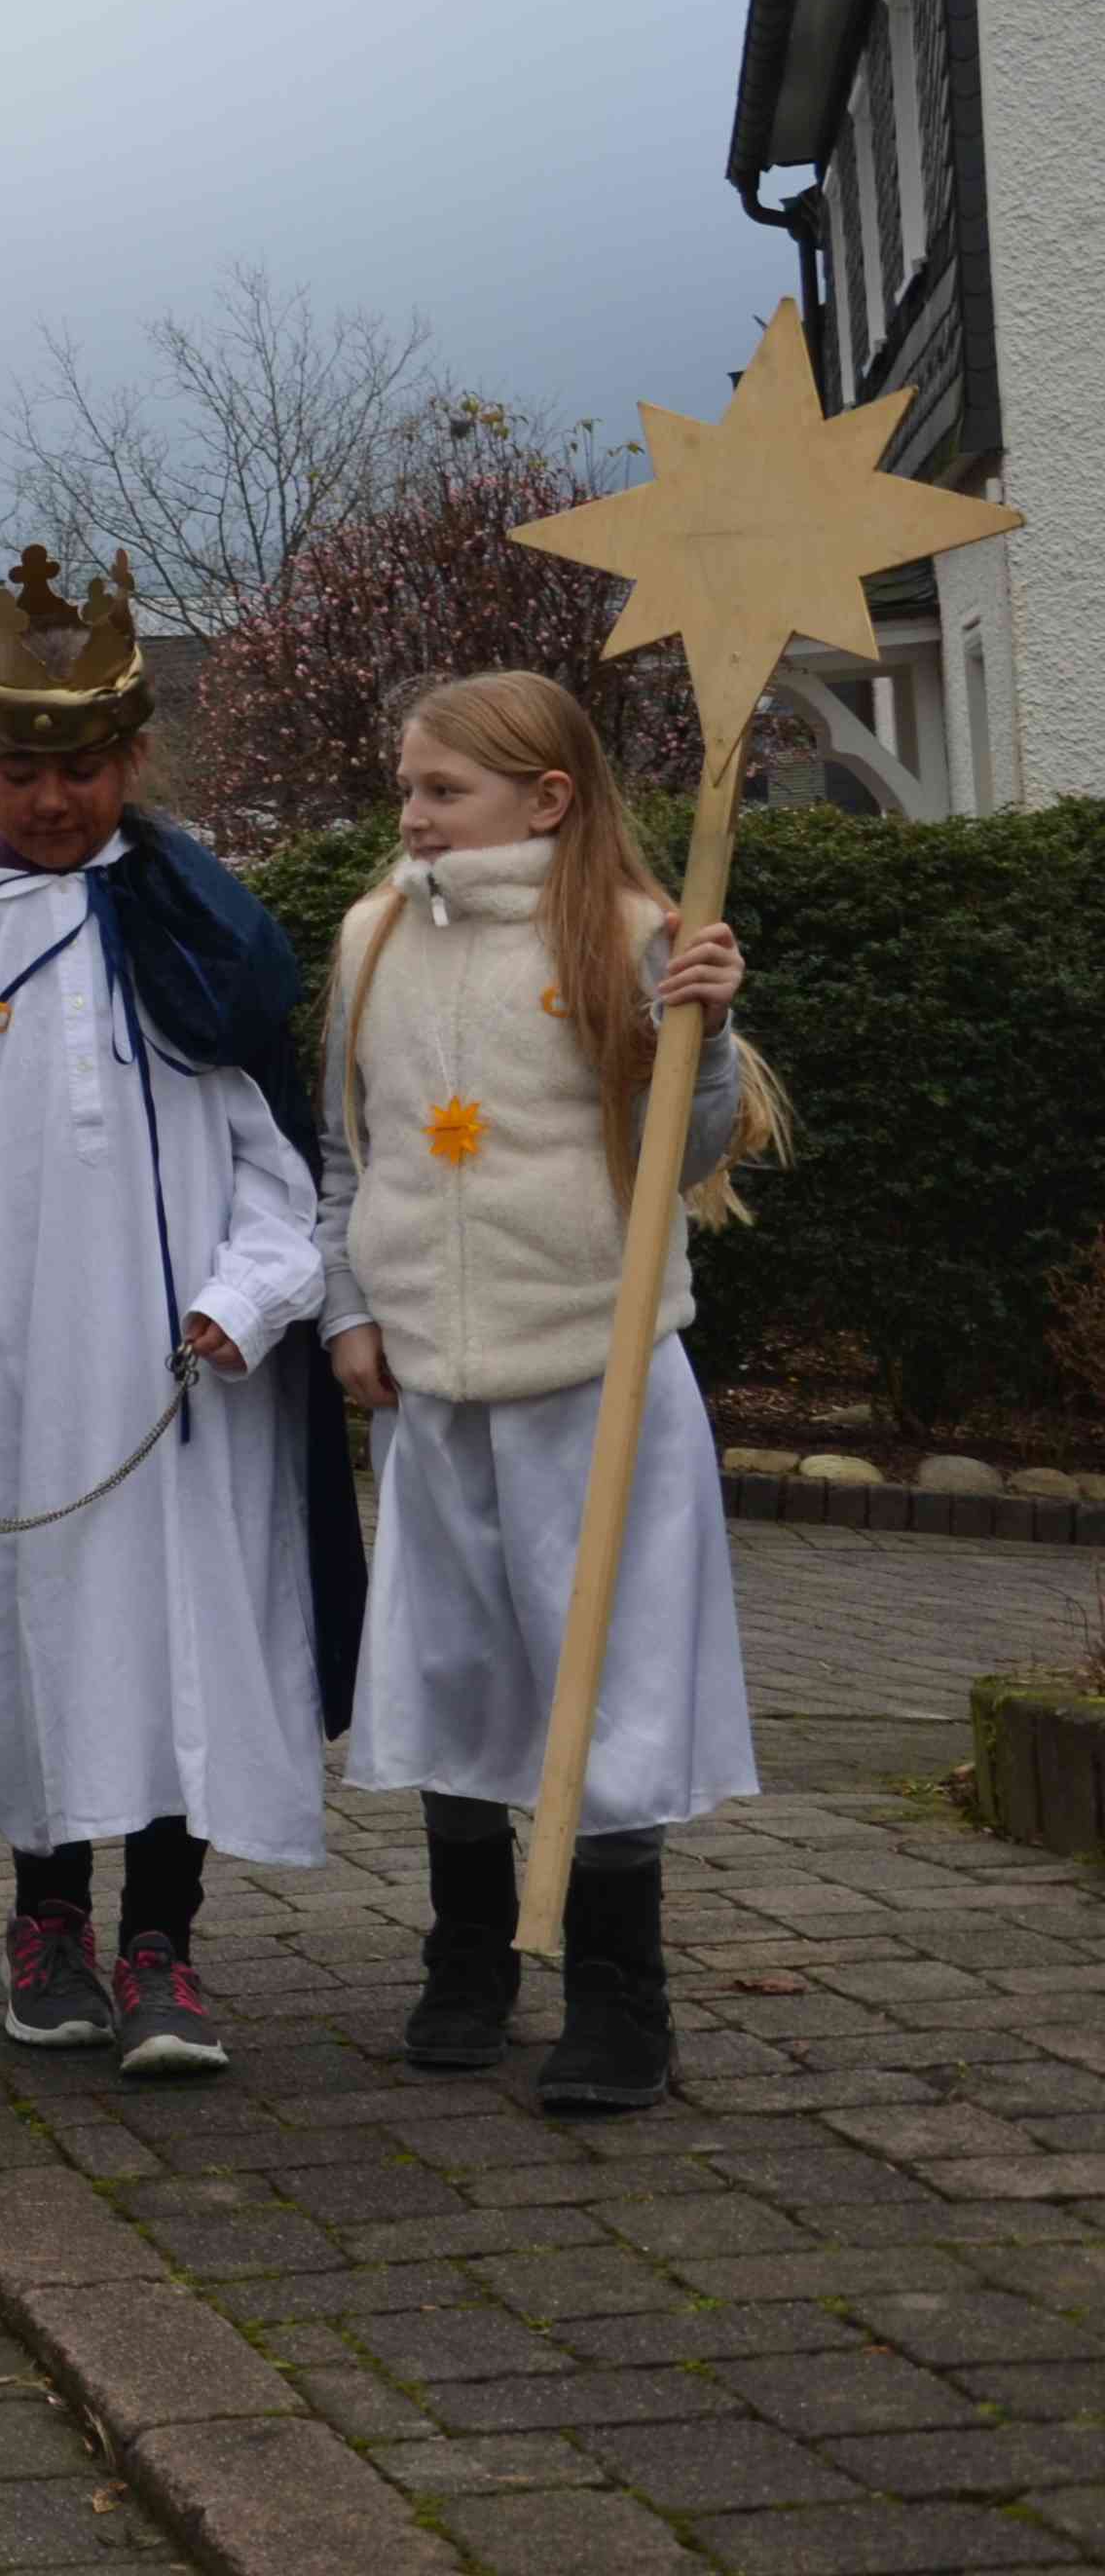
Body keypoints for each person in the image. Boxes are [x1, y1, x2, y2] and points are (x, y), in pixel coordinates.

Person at [0, 552, 363, 2082]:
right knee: (31, 1643)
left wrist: (245, 1301)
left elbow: (282, 1179)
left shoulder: (207, 945)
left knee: (178, 1644)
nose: (50, 800)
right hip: (3, 1378)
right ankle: (46, 1919)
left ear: (129, 764)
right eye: (21, 770)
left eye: (80, 768)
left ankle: (164, 1943)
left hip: (174, 1387)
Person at [324, 672, 777, 2115]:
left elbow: (675, 1149)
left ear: (548, 797)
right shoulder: (374, 937)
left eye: (444, 791)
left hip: (593, 1372)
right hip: (438, 1380)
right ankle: (468, 1960)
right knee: (460, 1665)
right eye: (408, 789)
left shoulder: (632, 938)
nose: (414, 817)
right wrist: (350, 1307)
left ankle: (619, 1996)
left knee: (609, 1671)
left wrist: (696, 1033)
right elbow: (353, 1147)